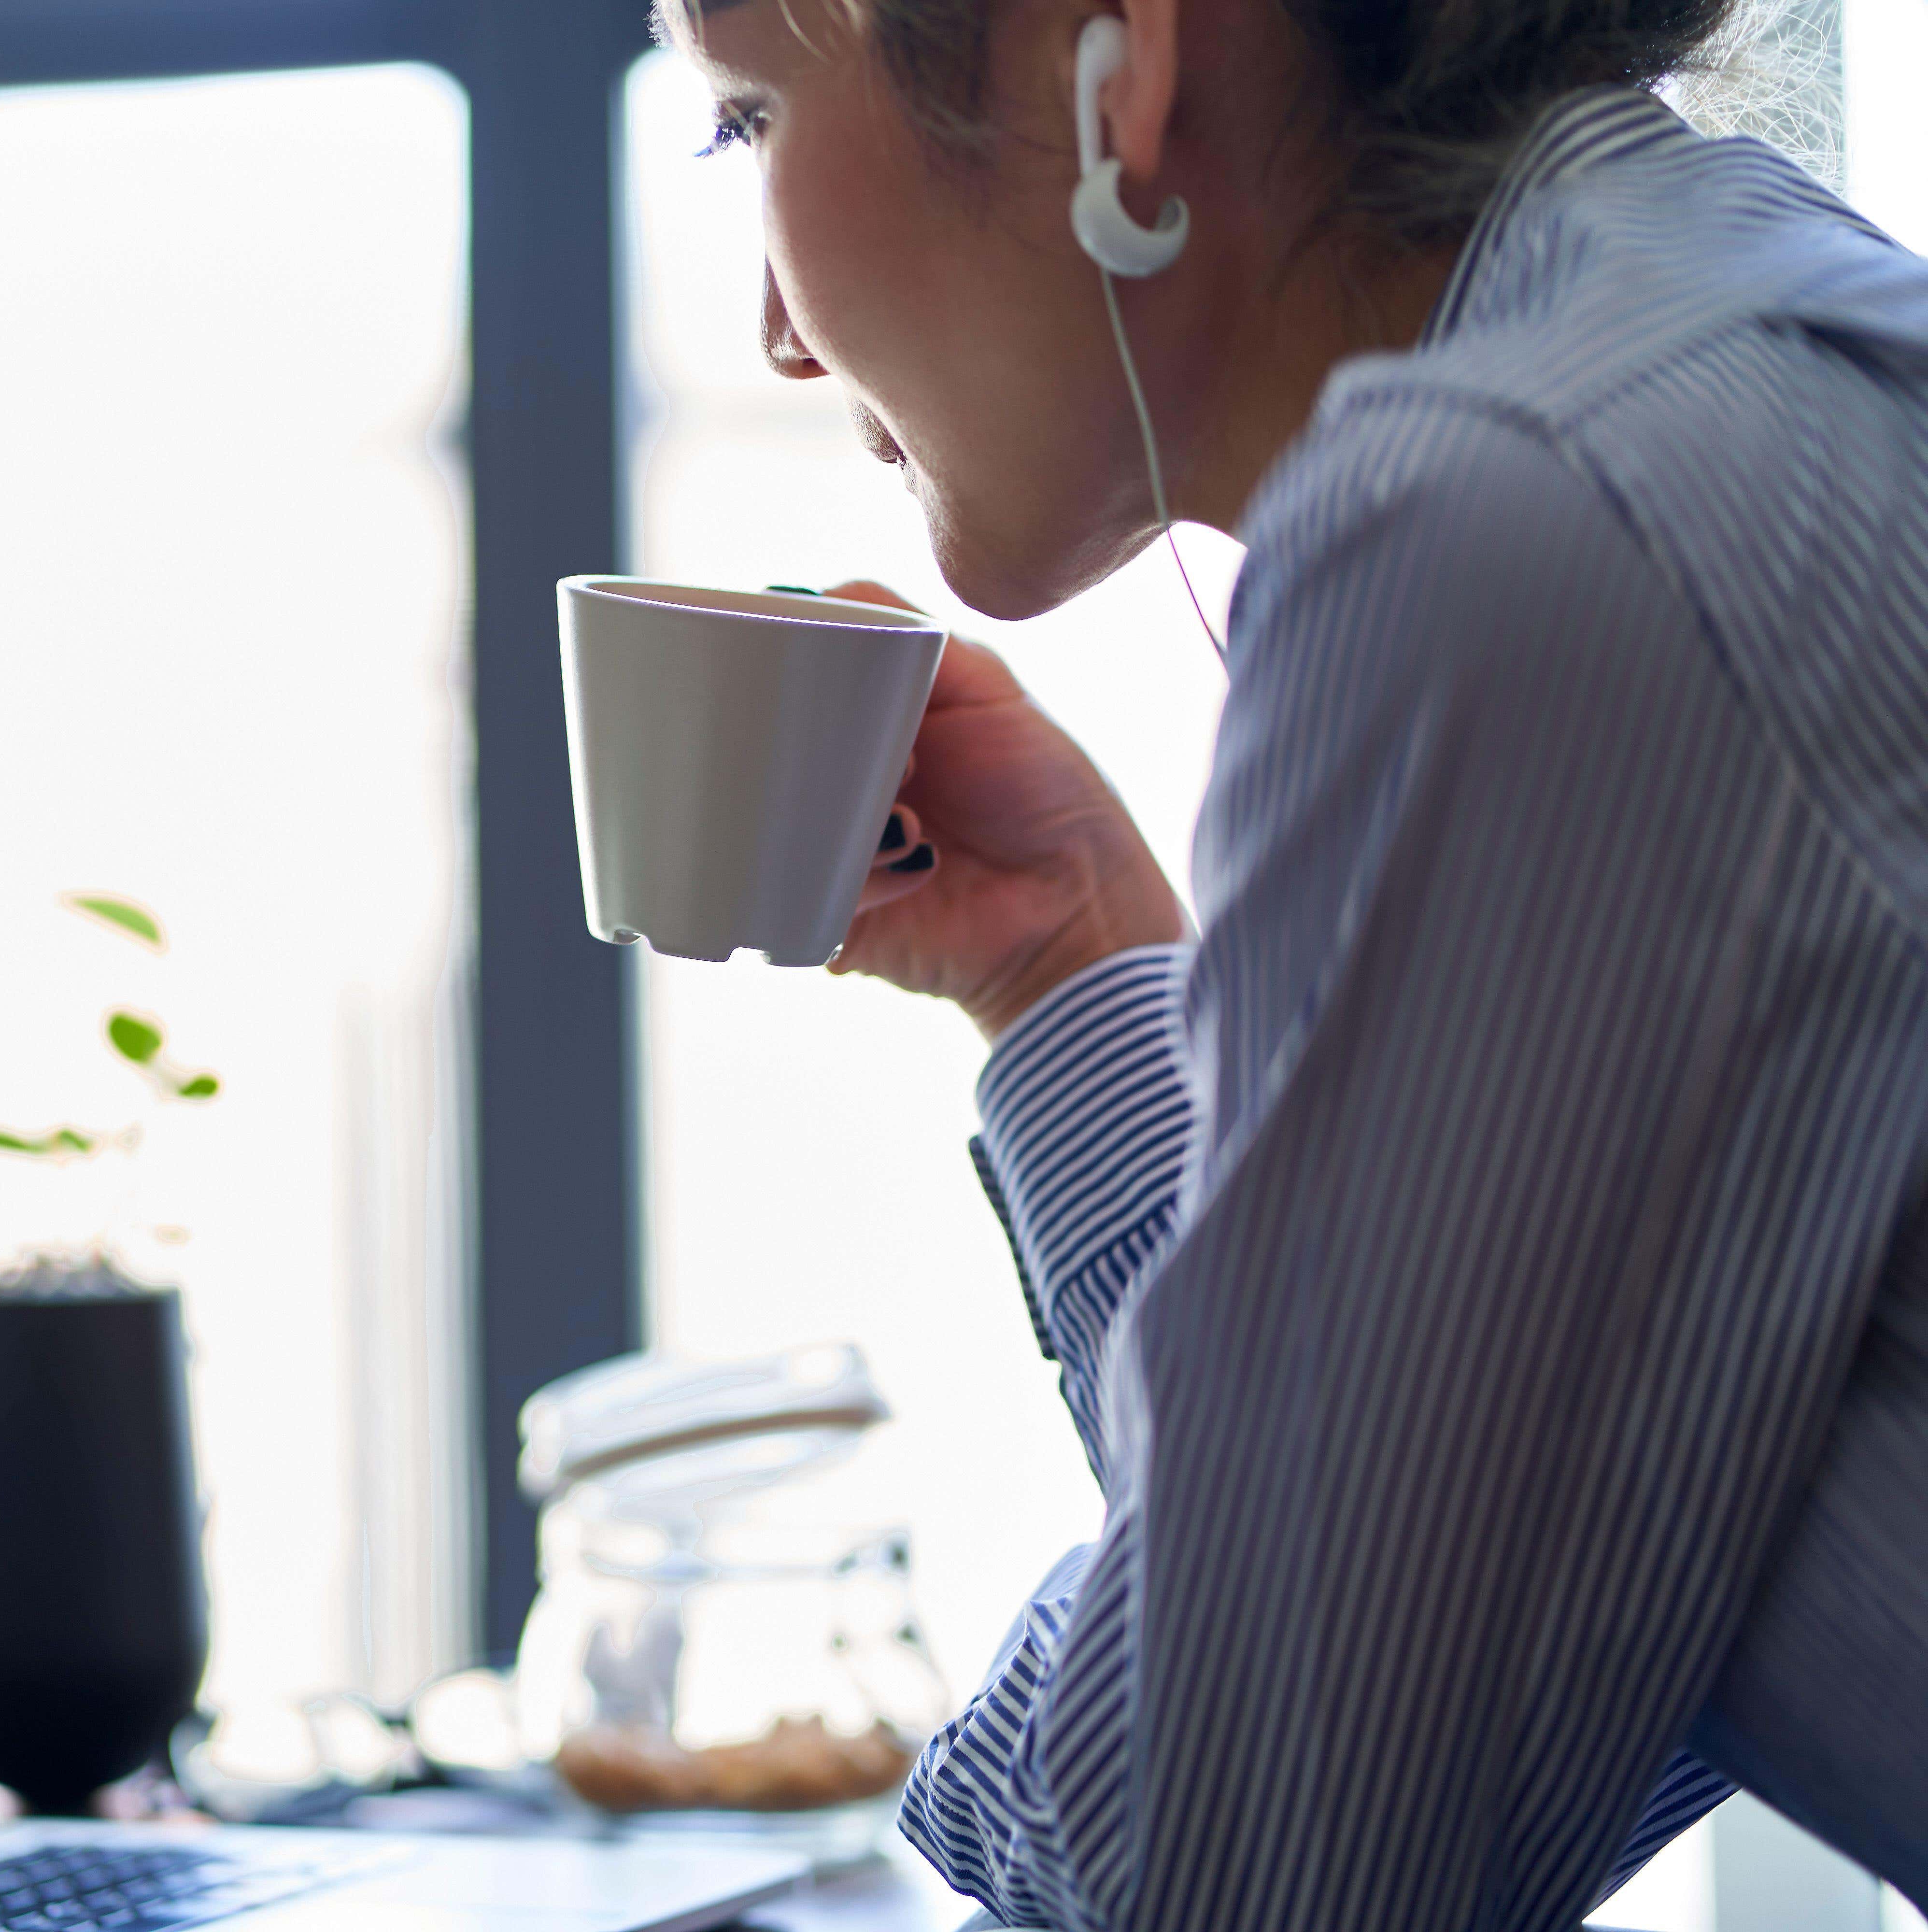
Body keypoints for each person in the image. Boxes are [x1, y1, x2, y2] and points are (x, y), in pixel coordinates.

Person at [660, 0, 1928, 1923]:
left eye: (747, 117)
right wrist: (1076, 963)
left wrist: (985, 1759)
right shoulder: (1752, 357)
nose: (771, 321)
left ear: (1112, 56)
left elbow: (1226, 1859)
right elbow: (1466, 1656)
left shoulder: (1529, 521)